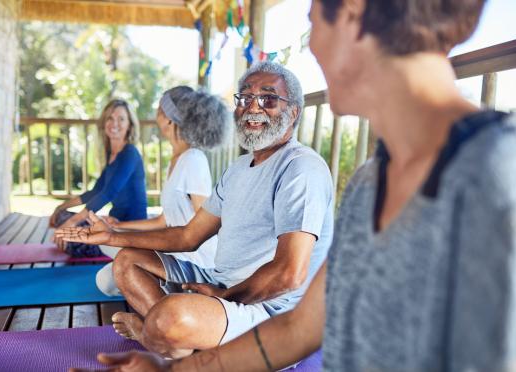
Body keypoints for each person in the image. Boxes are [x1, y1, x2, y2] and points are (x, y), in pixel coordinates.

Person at [69, 0, 516, 371]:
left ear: (354, 15)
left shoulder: (496, 172)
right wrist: (171, 369)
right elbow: (297, 330)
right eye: (246, 98)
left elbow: (289, 284)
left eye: (312, 23)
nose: (313, 46)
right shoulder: (368, 183)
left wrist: (222, 300)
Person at [57, 61, 334, 358]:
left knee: (171, 316)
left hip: (272, 311)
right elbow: (188, 235)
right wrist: (112, 236)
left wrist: (225, 298)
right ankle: (173, 342)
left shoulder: (300, 168)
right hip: (220, 281)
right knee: (126, 263)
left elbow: (289, 273)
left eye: (267, 98)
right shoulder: (239, 169)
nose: (252, 107)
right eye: (244, 98)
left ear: (293, 112)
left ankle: (162, 336)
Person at [95, 86, 230, 296]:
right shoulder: (177, 159)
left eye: (159, 109)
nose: (156, 114)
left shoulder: (193, 159)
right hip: (173, 249)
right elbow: (164, 220)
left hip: (193, 260)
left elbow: (203, 225)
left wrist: (122, 236)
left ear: (169, 119)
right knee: (104, 247)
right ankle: (161, 285)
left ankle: (180, 292)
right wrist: (120, 226)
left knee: (106, 279)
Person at [50, 99, 147, 257]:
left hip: (130, 230)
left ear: (129, 125)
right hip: (112, 222)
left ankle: (112, 249)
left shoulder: (130, 153)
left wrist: (72, 222)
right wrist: (61, 206)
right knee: (62, 216)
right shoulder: (112, 154)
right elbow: (96, 191)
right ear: (104, 123)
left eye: (121, 119)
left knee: (69, 232)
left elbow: (109, 192)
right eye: (110, 118)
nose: (114, 123)